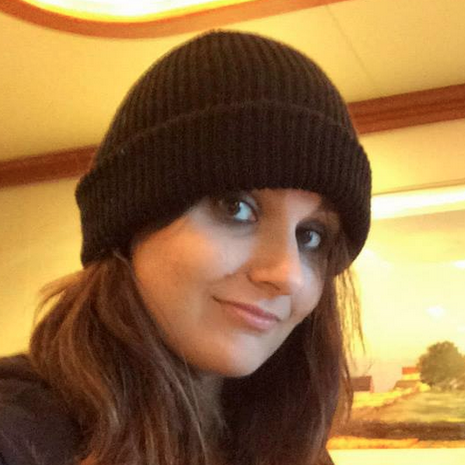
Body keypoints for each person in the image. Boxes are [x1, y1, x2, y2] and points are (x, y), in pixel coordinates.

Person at [0, 30, 371, 465]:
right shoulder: (18, 436)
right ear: (128, 222)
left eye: (311, 236)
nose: (287, 274)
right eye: (236, 207)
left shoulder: (292, 446)